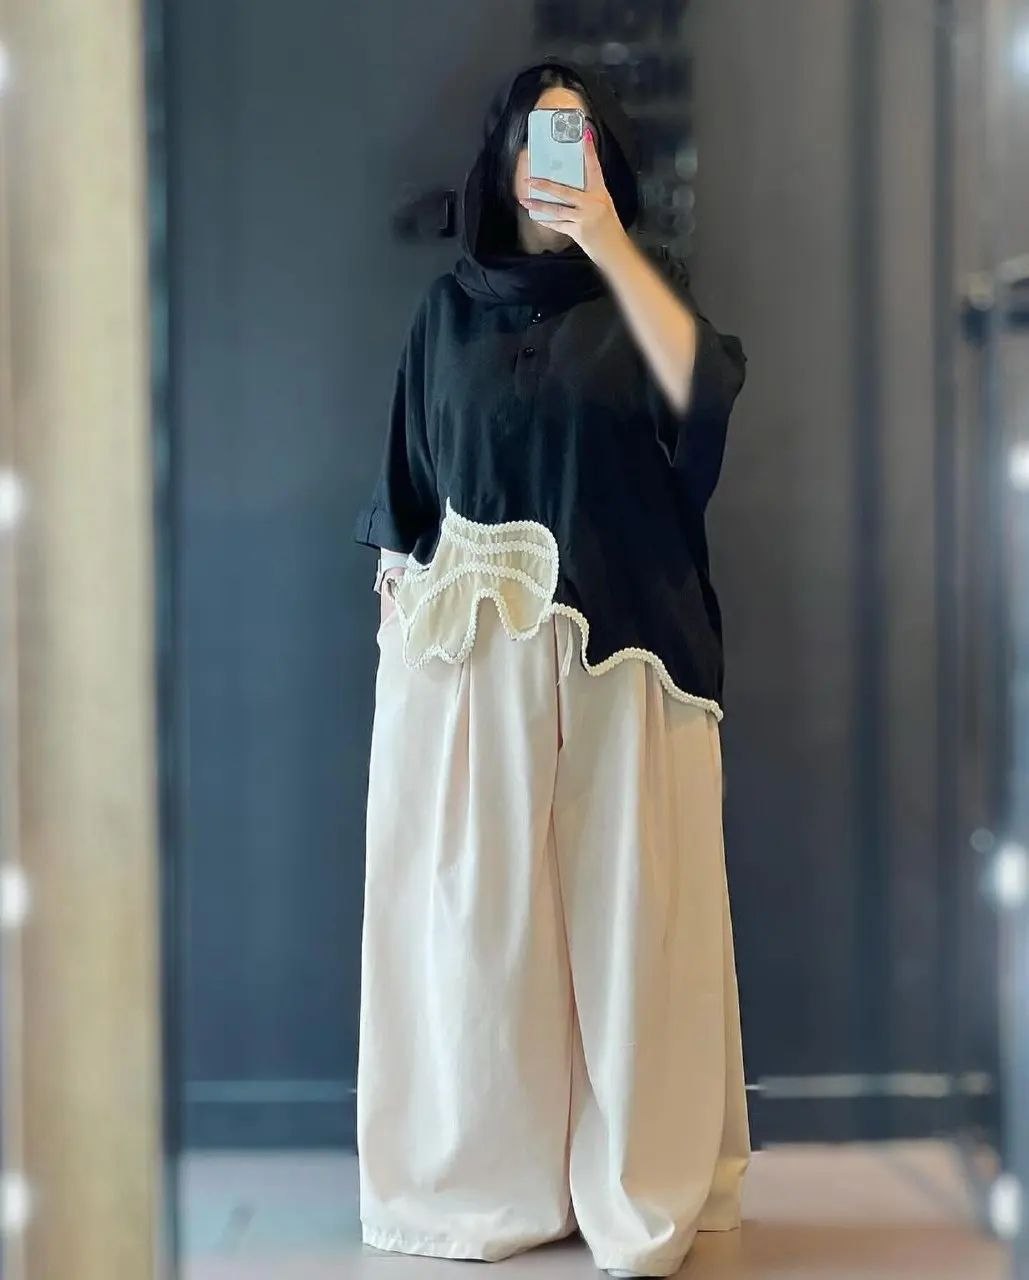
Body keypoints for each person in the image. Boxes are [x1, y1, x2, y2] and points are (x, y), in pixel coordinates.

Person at [352, 55, 750, 1279]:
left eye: (579, 137)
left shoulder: (646, 299)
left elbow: (702, 396)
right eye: (538, 134)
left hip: (626, 650)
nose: (553, 157)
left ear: (609, 164)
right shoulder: (446, 314)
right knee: (477, 940)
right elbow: (407, 493)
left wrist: (615, 248)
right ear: (503, 155)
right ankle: (484, 1182)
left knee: (631, 928)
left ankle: (638, 1184)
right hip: (471, 669)